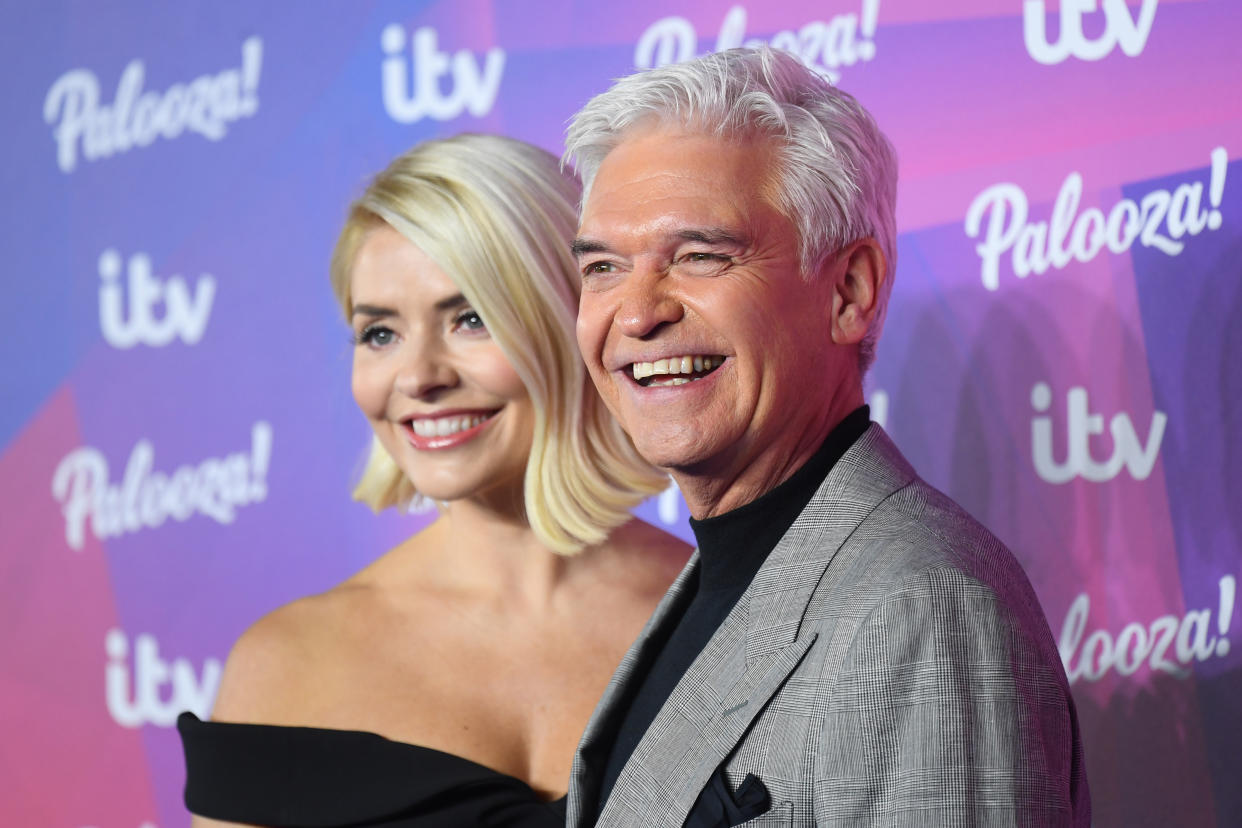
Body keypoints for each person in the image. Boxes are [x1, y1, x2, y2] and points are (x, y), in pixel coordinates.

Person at [561, 48, 1090, 827]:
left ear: (850, 292)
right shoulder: (723, 579)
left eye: (701, 257)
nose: (636, 315)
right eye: (603, 267)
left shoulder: (922, 607)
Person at [176, 134, 691, 827]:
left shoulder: (737, 619)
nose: (419, 377)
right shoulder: (285, 664)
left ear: (574, 318)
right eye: (380, 333)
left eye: (470, 319)